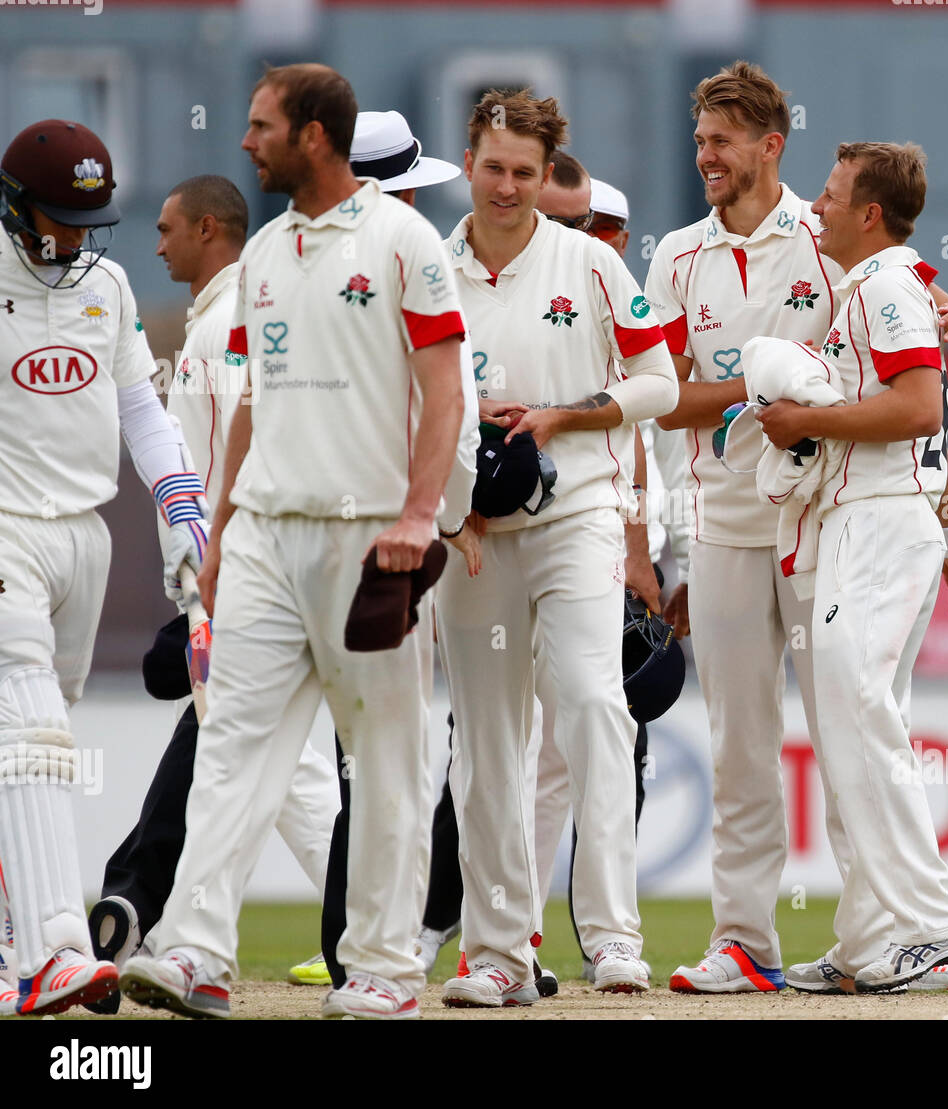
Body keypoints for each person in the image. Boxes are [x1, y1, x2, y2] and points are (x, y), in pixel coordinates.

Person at [119, 63, 471, 1020]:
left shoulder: (405, 242)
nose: (246, 140)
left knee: (386, 756)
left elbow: (445, 390)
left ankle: (385, 968)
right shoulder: (266, 254)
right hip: (269, 533)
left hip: (371, 539)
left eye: (261, 124)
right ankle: (195, 951)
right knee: (232, 744)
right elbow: (245, 410)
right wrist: (224, 529)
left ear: (314, 135)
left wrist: (416, 515)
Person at [646, 61, 948, 993]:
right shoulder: (675, 253)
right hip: (722, 517)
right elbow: (668, 399)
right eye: (700, 139)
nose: (706, 156)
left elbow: (918, 331)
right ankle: (744, 942)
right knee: (740, 743)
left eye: (722, 140)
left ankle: (879, 940)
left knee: (848, 723)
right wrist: (757, 398)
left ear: (770, 145)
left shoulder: (829, 234)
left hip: (826, 520)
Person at [437, 89, 677, 1007]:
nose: (507, 187)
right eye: (494, 168)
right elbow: (402, 393)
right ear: (470, 162)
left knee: (590, 704)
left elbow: (659, 380)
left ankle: (615, 936)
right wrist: (452, 500)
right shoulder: (429, 264)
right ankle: (497, 952)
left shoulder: (590, 263)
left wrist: (561, 417)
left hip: (576, 511)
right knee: (486, 740)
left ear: (547, 175)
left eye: (525, 173)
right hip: (475, 532)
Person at [85, 175, 342, 1014]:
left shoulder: (230, 323)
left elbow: (239, 454)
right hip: (225, 575)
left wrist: (212, 571)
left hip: (238, 577)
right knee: (243, 758)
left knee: (275, 766)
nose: (155, 246)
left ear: (209, 228)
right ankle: (189, 932)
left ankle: (380, 921)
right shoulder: (219, 319)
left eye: (167, 229)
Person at [753, 141, 948, 993]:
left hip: (880, 523)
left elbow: (919, 406)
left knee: (855, 710)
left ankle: (927, 922)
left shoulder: (886, 286)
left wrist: (802, 424)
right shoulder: (890, 281)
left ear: (869, 213)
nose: (816, 205)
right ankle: (868, 946)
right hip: (882, 521)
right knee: (858, 719)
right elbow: (934, 423)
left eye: (830, 192)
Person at [0, 119, 209, 1016]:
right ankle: (54, 949)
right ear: (14, 206)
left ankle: (13, 947)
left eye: (89, 220)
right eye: (58, 219)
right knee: (31, 735)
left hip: (84, 534)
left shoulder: (109, 285)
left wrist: (183, 514)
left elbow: (142, 414)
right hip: (5, 527)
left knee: (34, 744)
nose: (76, 238)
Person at [306, 108, 479, 992]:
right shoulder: (417, 260)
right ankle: (385, 954)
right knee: (398, 761)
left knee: (351, 758)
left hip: (301, 536)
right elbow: (451, 411)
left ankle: (352, 948)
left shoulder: (295, 264)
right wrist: (447, 522)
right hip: (398, 545)